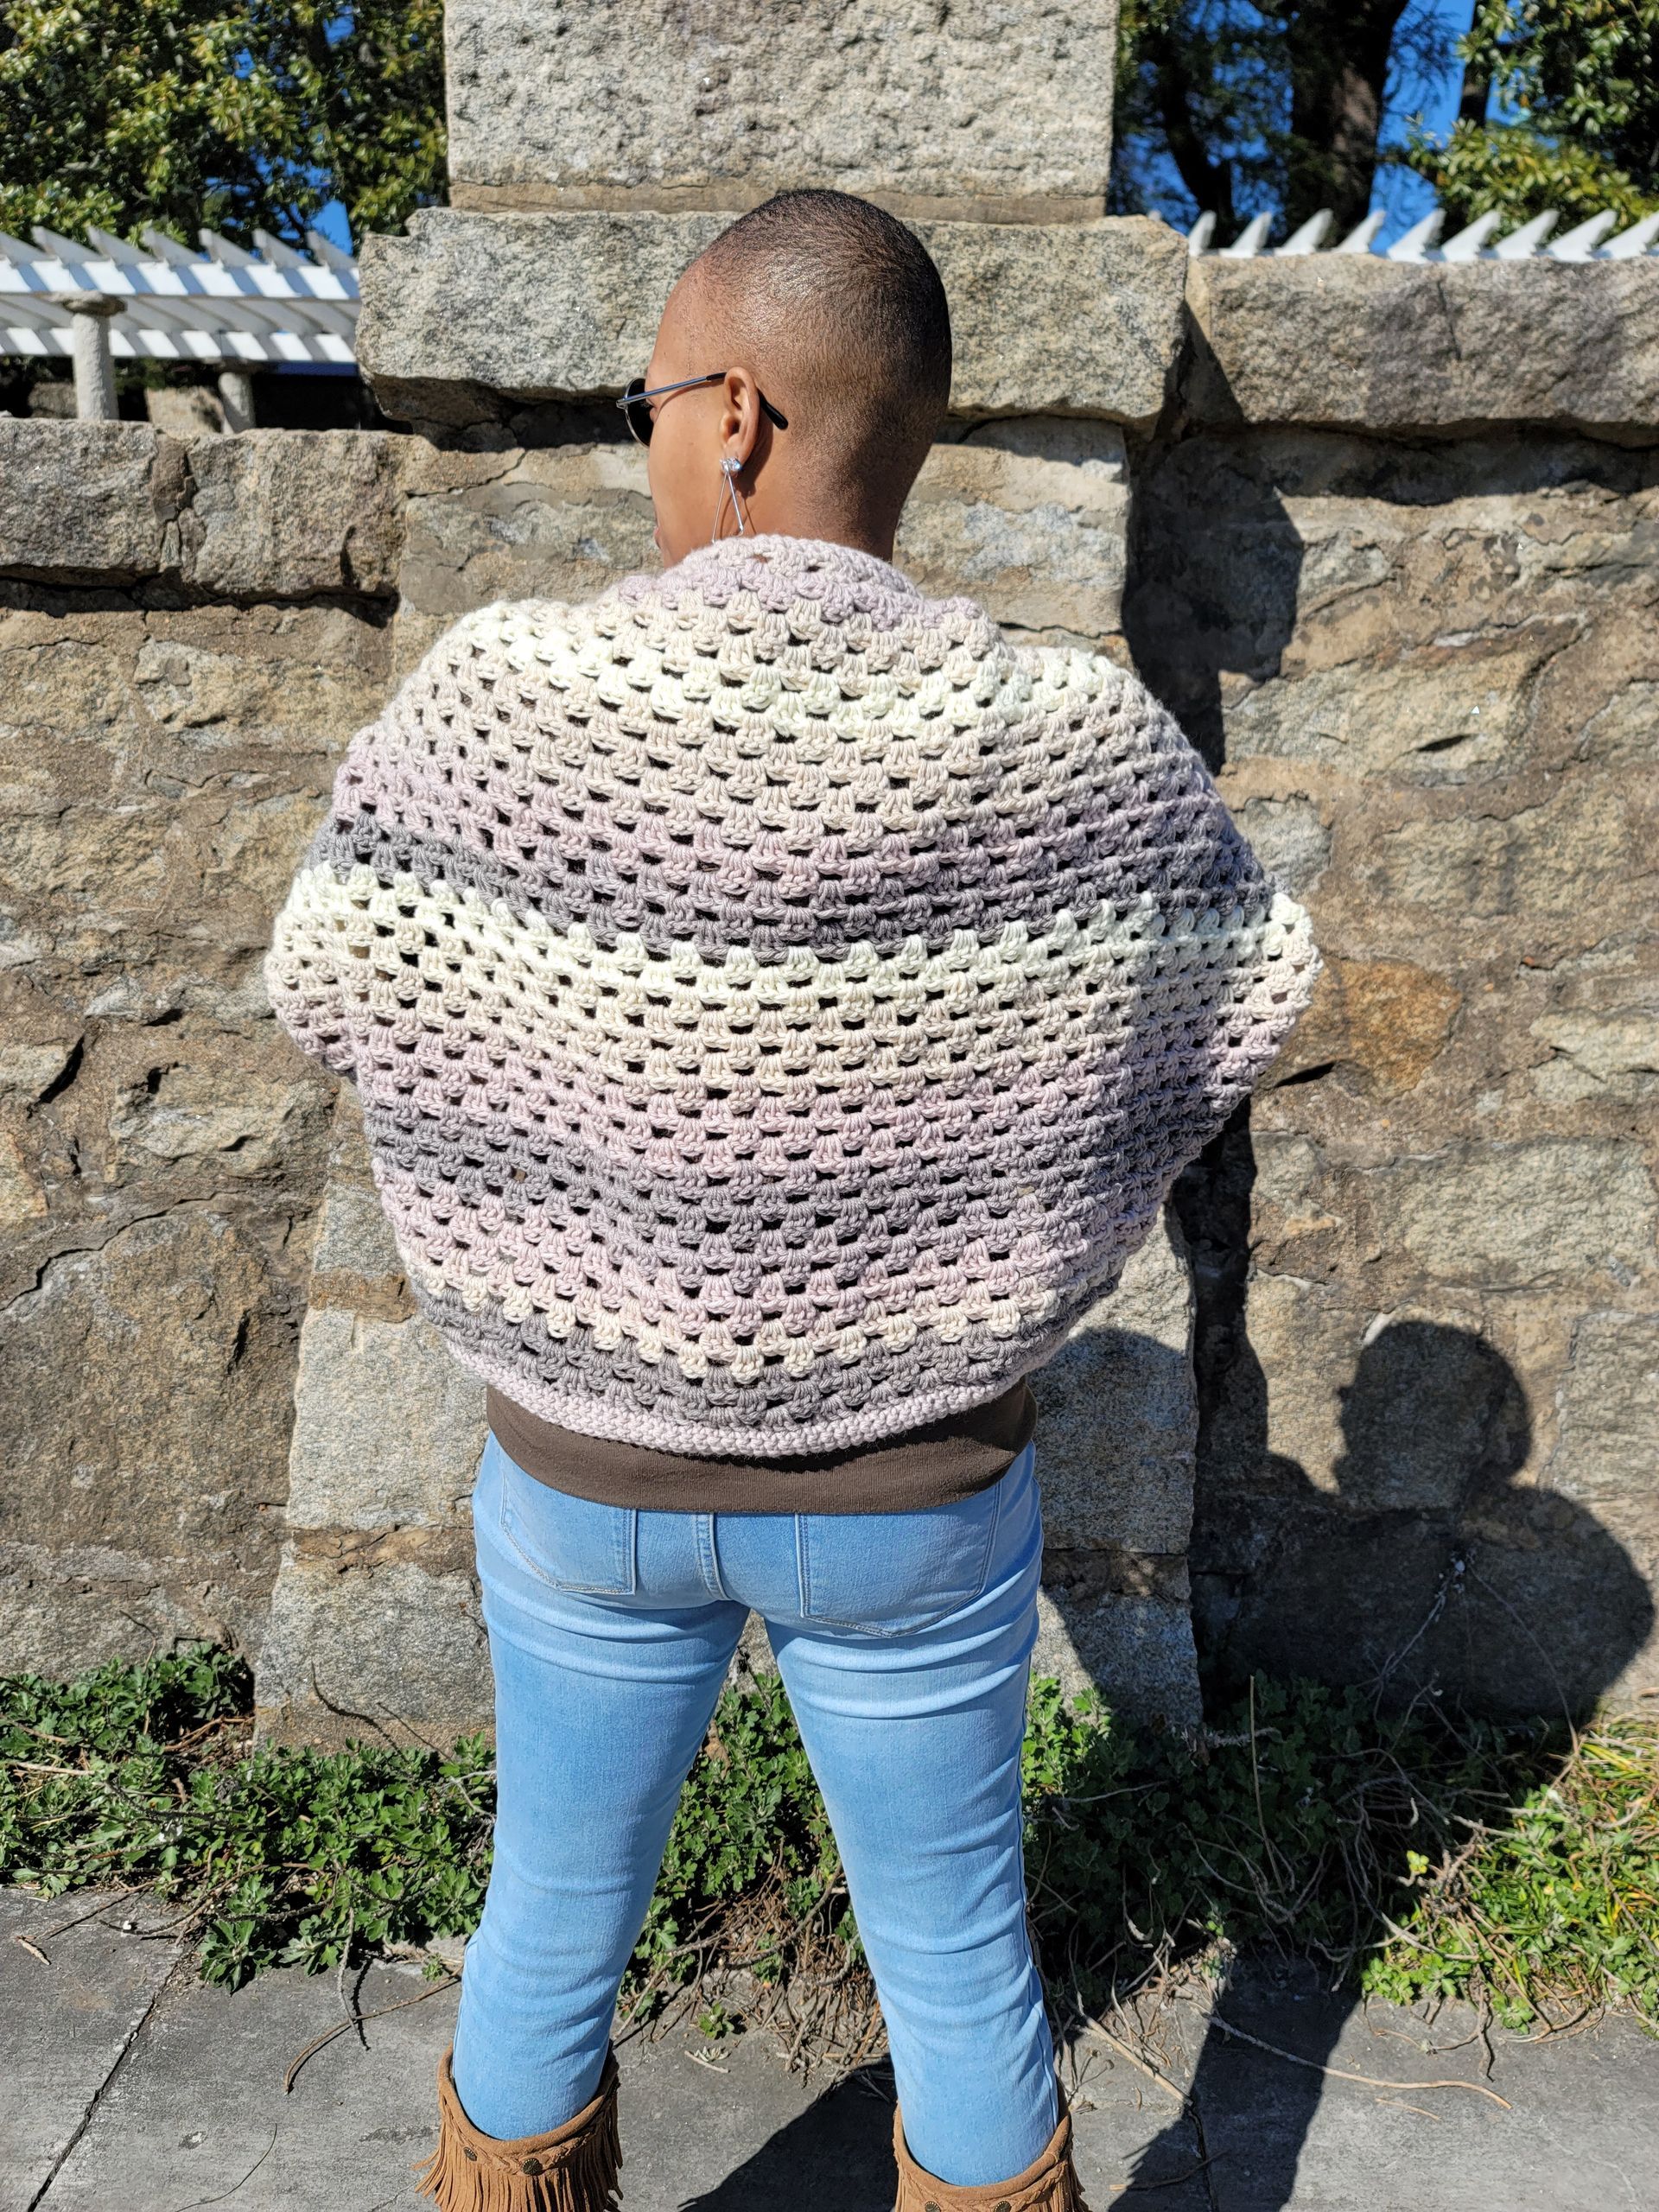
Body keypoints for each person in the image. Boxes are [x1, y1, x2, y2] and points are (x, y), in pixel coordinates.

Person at [263, 188, 1321, 2212]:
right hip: (920, 1498)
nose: (652, 437)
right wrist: (1022, 1188)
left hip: (585, 1480)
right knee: (957, 1963)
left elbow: (333, 969)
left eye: (654, 399)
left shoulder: (506, 700)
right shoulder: (1066, 732)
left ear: (734, 412)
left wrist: (545, 1117)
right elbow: (1246, 988)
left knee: (552, 1916)